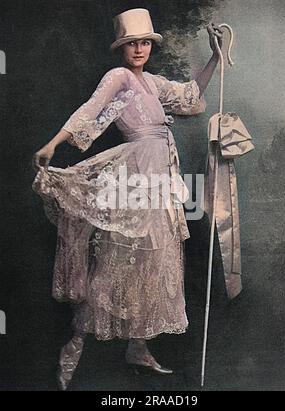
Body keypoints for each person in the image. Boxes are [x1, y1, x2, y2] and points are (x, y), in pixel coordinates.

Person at [32, 8, 223, 391]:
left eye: (145, 43)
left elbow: (191, 94)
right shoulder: (118, 77)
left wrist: (215, 58)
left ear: (150, 46)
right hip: (135, 176)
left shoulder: (152, 83)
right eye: (132, 43)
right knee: (117, 261)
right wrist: (53, 143)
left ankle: (138, 347)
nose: (139, 49)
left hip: (161, 180)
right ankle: (75, 344)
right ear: (122, 48)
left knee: (154, 258)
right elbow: (91, 109)